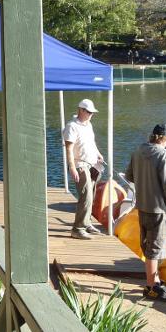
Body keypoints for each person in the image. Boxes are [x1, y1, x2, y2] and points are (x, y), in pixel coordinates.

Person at [124, 123, 166, 301]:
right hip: (158, 210)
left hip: (142, 207)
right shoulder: (164, 155)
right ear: (164, 139)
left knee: (147, 245)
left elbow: (129, 176)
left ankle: (155, 280)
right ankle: (150, 287)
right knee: (155, 248)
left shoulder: (138, 151)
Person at [62, 99, 104, 239]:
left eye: (92, 112)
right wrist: (72, 167)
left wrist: (98, 153)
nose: (91, 114)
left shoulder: (88, 125)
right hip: (79, 165)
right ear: (80, 110)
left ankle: (86, 222)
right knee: (86, 196)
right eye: (89, 112)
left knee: (91, 194)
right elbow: (69, 148)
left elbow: (91, 142)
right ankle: (77, 228)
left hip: (92, 164)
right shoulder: (71, 126)